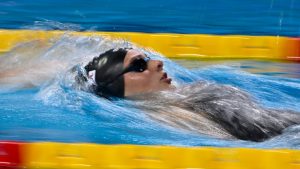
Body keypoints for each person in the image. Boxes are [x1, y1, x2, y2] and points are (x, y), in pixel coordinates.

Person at [75, 47, 300, 142]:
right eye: (139, 65)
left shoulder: (178, 98)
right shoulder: (166, 115)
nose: (157, 63)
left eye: (147, 58)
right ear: (115, 86)